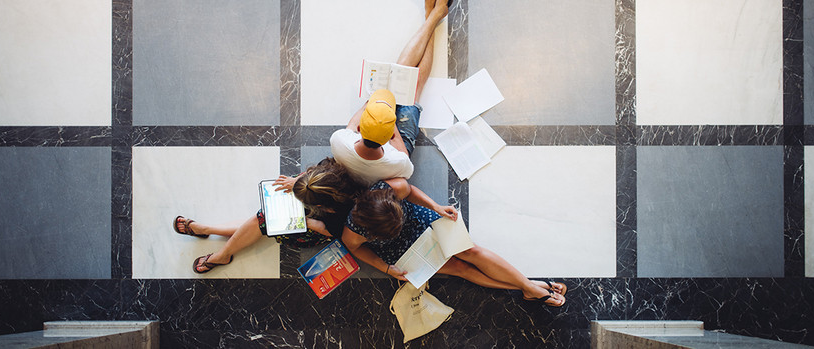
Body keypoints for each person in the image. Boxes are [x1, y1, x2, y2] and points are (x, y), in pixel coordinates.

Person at [341, 178, 568, 307]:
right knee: (460, 268)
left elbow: (411, 191)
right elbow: (356, 249)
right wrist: (387, 268)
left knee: (471, 252)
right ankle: (529, 286)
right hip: (402, 249)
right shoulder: (354, 230)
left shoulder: (391, 189)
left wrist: (435, 207)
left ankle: (529, 287)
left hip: (420, 221)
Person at [330, 0, 449, 185]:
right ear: (391, 135)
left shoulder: (339, 141)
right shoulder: (398, 161)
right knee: (413, 88)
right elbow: (403, 155)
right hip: (397, 142)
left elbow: (353, 123)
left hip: (385, 135)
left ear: (362, 128)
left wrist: (378, 103)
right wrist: (389, 120)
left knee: (401, 75)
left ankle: (432, 16)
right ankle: (433, 15)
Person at [173, 158, 363, 273]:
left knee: (263, 220)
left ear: (319, 205)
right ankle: (211, 235)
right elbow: (310, 175)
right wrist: (296, 182)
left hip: (315, 227)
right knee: (263, 219)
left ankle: (221, 251)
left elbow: (329, 231)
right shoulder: (328, 174)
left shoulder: (340, 214)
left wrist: (301, 220)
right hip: (313, 207)